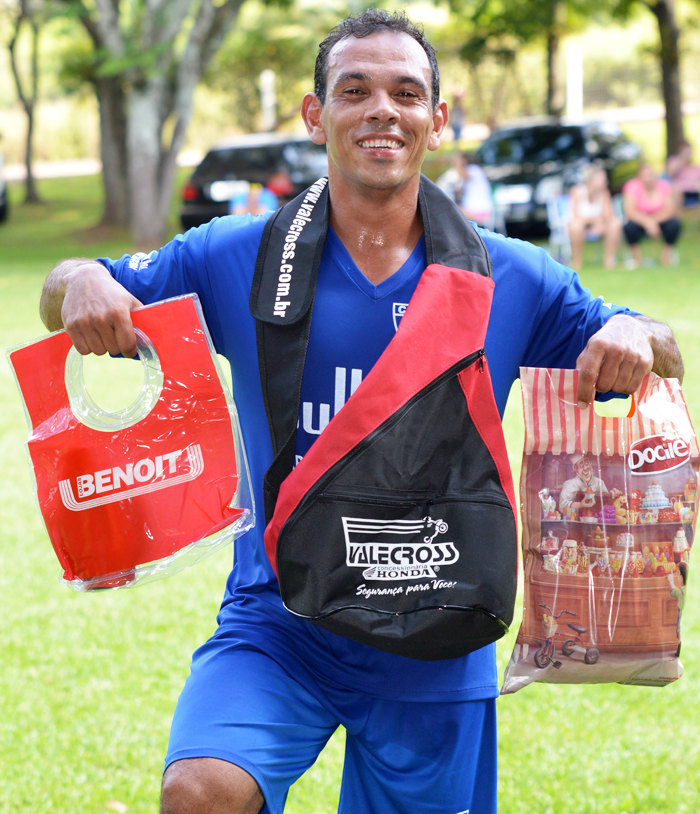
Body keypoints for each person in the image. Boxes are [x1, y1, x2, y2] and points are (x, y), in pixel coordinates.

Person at [39, 10, 684, 814]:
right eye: (356, 91)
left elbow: (662, 353)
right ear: (317, 115)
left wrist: (633, 330)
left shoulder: (511, 274)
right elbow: (63, 290)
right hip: (278, 617)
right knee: (200, 792)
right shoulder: (236, 252)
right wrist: (81, 281)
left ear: (437, 121)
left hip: (438, 623)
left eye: (406, 93)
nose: (383, 109)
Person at [622, 163, 683, 267]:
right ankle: (637, 258)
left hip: (660, 220)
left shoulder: (664, 186)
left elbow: (670, 209)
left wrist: (653, 221)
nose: (648, 178)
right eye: (645, 175)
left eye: (650, 174)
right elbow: (630, 211)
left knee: (674, 224)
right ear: (639, 176)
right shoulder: (632, 187)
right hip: (640, 221)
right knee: (629, 227)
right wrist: (647, 222)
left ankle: (666, 256)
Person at [567, 165, 622, 270]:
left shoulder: (604, 193)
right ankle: (577, 261)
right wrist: (593, 221)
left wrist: (600, 224)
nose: (606, 181)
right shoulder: (577, 191)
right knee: (575, 227)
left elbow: (608, 215)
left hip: (600, 226)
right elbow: (574, 216)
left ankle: (609, 260)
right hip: (582, 226)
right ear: (591, 179)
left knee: (615, 224)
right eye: (602, 178)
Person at [437, 151, 494, 228]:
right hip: (472, 211)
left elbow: (461, 173)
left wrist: (457, 162)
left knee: (448, 208)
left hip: (479, 212)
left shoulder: (474, 169)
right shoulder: (467, 177)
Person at [666, 140, 700, 208]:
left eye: (688, 152)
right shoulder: (674, 162)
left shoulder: (695, 167)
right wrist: (681, 160)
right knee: (676, 189)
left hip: (694, 191)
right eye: (685, 152)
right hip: (680, 191)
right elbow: (669, 174)